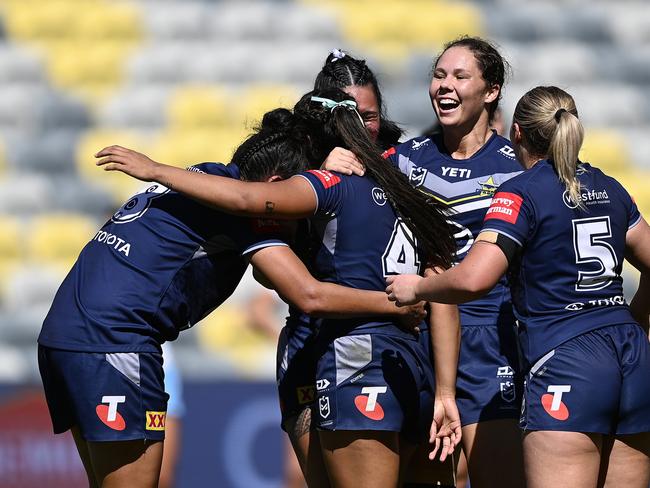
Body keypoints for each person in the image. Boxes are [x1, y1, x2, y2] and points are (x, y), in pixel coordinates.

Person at [37, 108, 426, 488]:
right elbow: (308, 295)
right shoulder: (244, 212)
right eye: (297, 199)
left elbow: (262, 272)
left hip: (62, 336)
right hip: (113, 343)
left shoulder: (206, 175)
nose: (303, 211)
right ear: (273, 186)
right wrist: (397, 302)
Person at [386, 85, 650, 488]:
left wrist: (418, 289)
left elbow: (475, 278)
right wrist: (636, 319)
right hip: (632, 355)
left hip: (568, 357)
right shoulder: (611, 188)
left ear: (517, 134)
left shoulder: (521, 191)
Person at [380, 36, 526, 488]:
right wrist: (338, 159)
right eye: (439, 75)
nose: (445, 85)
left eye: (460, 76)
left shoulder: (519, 168)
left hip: (495, 342)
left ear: (492, 91)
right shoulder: (404, 160)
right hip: (421, 339)